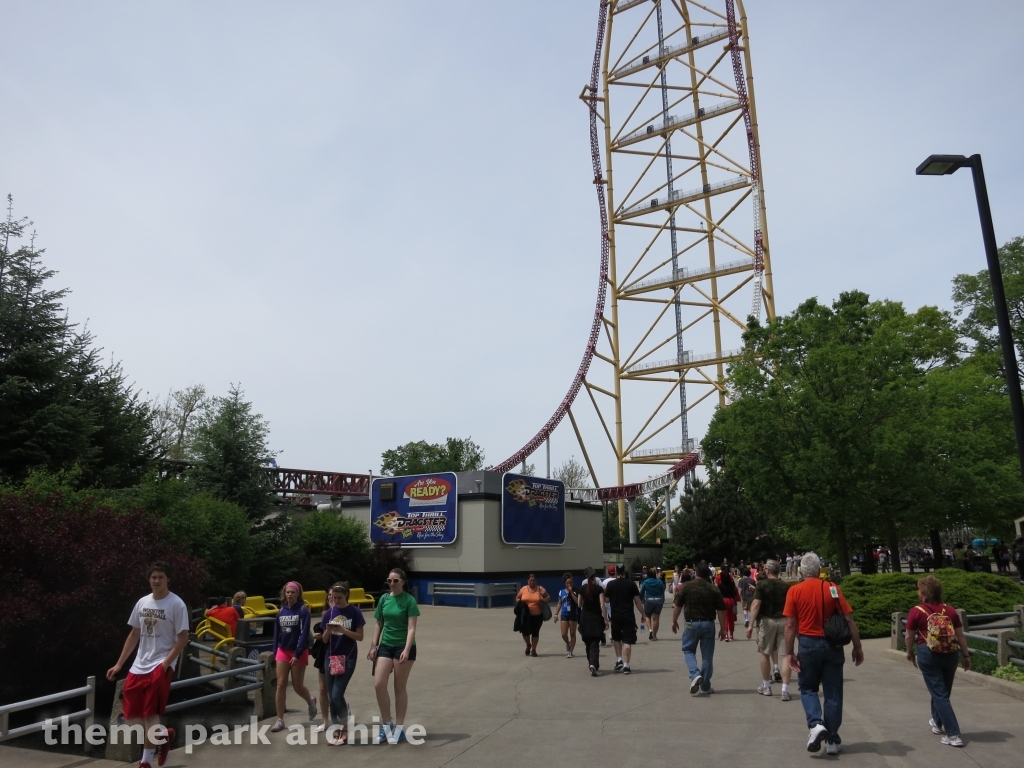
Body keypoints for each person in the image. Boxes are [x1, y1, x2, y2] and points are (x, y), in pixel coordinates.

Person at [106, 562, 190, 768]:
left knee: (150, 713)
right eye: (154, 577)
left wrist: (166, 664)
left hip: (160, 663)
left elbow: (183, 637)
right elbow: (134, 634)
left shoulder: (176, 604)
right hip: (139, 664)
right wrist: (119, 664)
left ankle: (145, 761)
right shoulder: (142, 602)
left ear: (168, 579)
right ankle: (163, 735)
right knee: (132, 715)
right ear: (149, 579)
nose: (157, 581)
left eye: (161, 577)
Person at [784, 552, 864, 755]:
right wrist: (857, 646)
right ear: (819, 570)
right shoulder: (832, 588)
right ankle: (832, 740)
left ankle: (815, 724)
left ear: (801, 571)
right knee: (833, 693)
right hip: (833, 646)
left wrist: (789, 653)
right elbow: (849, 619)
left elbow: (790, 625)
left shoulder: (794, 591)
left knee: (808, 688)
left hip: (808, 645)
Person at [904, 575, 971, 747]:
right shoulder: (950, 610)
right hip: (950, 653)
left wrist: (909, 651)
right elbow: (960, 635)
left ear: (924, 592)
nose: (918, 593)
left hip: (928, 653)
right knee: (943, 692)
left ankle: (953, 734)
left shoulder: (916, 611)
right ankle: (936, 721)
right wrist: (966, 655)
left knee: (939, 694)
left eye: (919, 590)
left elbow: (909, 636)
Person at [368, 568, 420, 744]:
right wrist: (373, 645)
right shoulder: (383, 599)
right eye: (389, 581)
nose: (392, 584)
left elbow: (412, 628)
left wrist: (406, 649)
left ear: (403, 582)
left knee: (399, 687)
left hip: (403, 647)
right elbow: (378, 623)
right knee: (379, 684)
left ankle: (399, 728)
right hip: (385, 645)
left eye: (395, 581)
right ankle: (387, 724)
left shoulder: (409, 600)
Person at [671, 564, 727, 695]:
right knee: (707, 656)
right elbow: (721, 610)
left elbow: (677, 606)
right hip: (708, 624)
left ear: (695, 573)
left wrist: (674, 621)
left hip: (691, 623)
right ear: (708, 574)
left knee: (688, 650)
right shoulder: (713, 589)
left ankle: (695, 674)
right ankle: (705, 686)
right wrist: (723, 628)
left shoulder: (687, 587)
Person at [270, 582, 317, 733]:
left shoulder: (303, 611)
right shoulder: (281, 611)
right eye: (287, 592)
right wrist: (274, 651)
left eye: (292, 592)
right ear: (284, 594)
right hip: (283, 650)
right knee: (281, 683)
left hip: (299, 651)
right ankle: (280, 719)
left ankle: (311, 702)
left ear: (298, 594)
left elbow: (303, 634)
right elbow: (277, 633)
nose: (289, 595)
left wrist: (297, 654)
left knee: (297, 686)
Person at [322, 583, 366, 745]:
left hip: (348, 657)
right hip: (331, 657)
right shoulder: (329, 612)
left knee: (336, 694)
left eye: (339, 598)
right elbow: (325, 640)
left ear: (346, 595)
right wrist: (327, 630)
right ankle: (336, 730)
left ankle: (345, 728)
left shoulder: (354, 612)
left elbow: (360, 636)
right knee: (331, 697)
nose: (336, 601)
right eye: (334, 598)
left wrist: (342, 629)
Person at [746, 560, 791, 699]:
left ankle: (766, 686)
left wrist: (750, 625)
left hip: (767, 621)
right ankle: (785, 690)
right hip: (784, 620)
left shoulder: (762, 584)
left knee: (765, 653)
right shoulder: (786, 586)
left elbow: (756, 604)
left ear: (768, 571)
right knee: (785, 655)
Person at [604, 564, 645, 674]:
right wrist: (643, 614)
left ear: (616, 571)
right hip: (628, 615)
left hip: (615, 615)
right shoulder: (631, 584)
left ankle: (619, 659)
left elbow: (606, 600)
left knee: (617, 638)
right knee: (627, 640)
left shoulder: (611, 584)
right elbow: (637, 601)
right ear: (624, 571)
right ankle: (626, 666)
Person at [577, 567, 610, 676]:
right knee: (595, 643)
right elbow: (602, 604)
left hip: (585, 618)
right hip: (595, 618)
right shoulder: (599, 589)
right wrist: (605, 619)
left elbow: (579, 604)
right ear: (594, 577)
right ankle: (593, 664)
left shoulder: (581, 589)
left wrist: (585, 605)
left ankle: (591, 663)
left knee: (587, 642)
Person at [515, 574, 550, 657]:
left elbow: (548, 597)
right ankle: (528, 644)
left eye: (533, 580)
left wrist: (543, 599)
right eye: (530, 580)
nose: (532, 582)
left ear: (536, 581)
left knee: (535, 632)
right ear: (528, 581)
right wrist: (520, 603)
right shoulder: (523, 589)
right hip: (525, 615)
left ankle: (533, 649)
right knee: (525, 631)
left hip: (537, 615)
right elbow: (517, 598)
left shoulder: (540, 589)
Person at [553, 573, 579, 658]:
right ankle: (568, 643)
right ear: (565, 583)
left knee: (572, 633)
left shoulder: (575, 591)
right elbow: (559, 603)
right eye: (568, 583)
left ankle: (570, 651)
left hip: (573, 614)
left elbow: (577, 602)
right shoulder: (562, 592)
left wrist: (571, 592)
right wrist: (556, 614)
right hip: (564, 614)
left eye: (570, 583)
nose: (569, 584)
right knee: (564, 634)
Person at [639, 568, 666, 640]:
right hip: (658, 600)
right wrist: (662, 600)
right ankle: (654, 635)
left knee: (647, 616)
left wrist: (640, 600)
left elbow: (642, 592)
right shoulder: (660, 582)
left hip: (648, 600)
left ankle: (650, 629)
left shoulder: (646, 582)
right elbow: (662, 592)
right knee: (656, 619)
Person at [716, 569, 740, 641]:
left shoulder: (720, 585)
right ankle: (731, 635)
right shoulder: (732, 584)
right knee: (731, 619)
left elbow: (718, 594)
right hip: (731, 600)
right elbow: (735, 592)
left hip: (723, 601)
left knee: (725, 618)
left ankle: (726, 635)